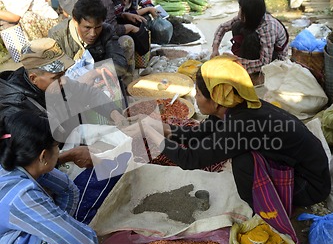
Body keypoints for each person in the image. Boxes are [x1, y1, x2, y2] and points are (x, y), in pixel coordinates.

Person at [126, 57, 331, 219]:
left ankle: (264, 211)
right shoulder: (234, 105)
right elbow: (196, 135)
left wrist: (150, 134)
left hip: (310, 185)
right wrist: (160, 128)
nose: (195, 99)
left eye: (198, 93)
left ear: (216, 99)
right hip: (304, 166)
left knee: (243, 161)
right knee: (241, 154)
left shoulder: (242, 125)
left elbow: (190, 159)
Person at [0, 111, 99, 244]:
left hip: (8, 232)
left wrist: (59, 226)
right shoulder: (21, 197)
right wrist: (65, 233)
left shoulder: (15, 161)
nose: (60, 151)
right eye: (57, 147)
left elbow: (69, 191)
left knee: (59, 232)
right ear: (43, 156)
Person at [211, 0, 289, 80]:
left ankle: (247, 70)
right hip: (262, 52)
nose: (239, 12)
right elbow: (223, 27)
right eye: (240, 8)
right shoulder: (247, 17)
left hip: (275, 58)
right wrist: (215, 49)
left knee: (250, 39)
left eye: (241, 9)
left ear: (250, 14)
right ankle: (244, 63)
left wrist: (236, 62)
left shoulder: (268, 28)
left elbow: (264, 63)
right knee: (237, 26)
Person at [88, 0, 150, 70]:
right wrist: (131, 28)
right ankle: (125, 78)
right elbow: (113, 29)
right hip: (97, 42)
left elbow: (109, 17)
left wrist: (124, 15)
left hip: (101, 36)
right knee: (127, 40)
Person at [49, 0, 129, 78]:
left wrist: (96, 73)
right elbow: (52, 73)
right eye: (87, 28)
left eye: (98, 27)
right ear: (75, 22)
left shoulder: (107, 31)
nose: (93, 34)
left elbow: (120, 64)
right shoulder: (57, 36)